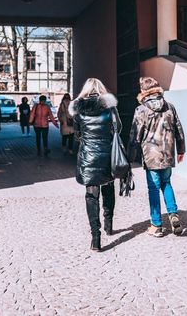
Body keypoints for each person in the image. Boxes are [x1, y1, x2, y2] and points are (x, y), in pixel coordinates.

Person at [128, 77, 186, 237]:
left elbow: (135, 136)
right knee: (166, 183)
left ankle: (156, 225)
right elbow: (179, 129)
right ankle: (173, 214)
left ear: (143, 91)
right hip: (167, 153)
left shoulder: (141, 110)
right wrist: (181, 150)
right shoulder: (169, 107)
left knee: (153, 188)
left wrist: (130, 158)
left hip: (151, 155)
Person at [69, 78, 118, 251]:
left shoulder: (78, 109)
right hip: (106, 154)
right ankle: (108, 224)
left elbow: (77, 134)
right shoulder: (109, 107)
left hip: (88, 156)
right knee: (108, 188)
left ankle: (95, 237)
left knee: (91, 195)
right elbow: (118, 128)